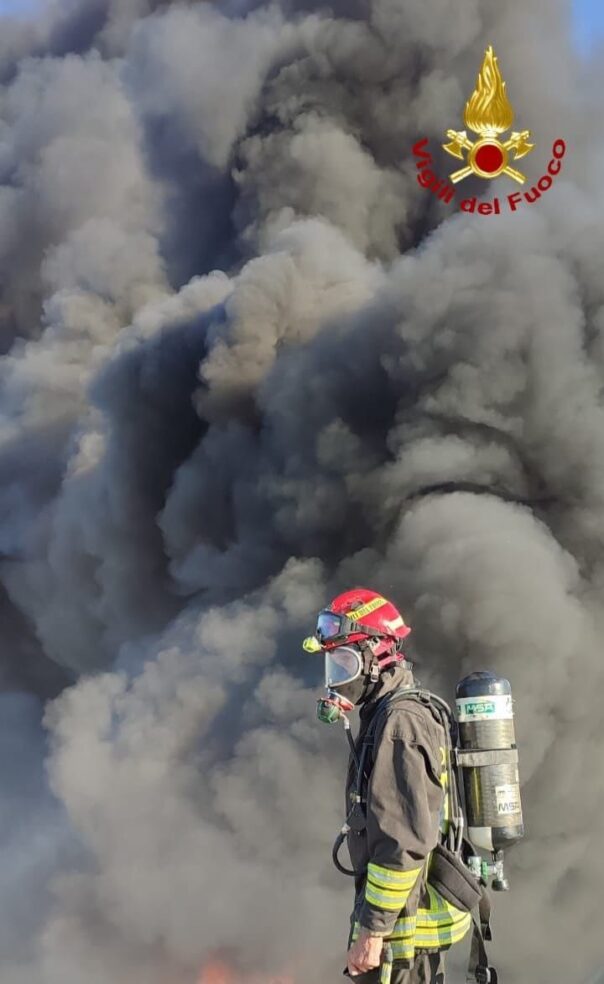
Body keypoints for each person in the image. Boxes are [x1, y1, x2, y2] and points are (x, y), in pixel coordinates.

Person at [304, 588, 472, 984]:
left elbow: (402, 842)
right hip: (402, 927)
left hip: (403, 936)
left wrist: (372, 933)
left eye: (344, 664)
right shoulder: (389, 713)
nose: (336, 680)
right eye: (332, 666)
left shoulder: (401, 723)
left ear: (376, 656)